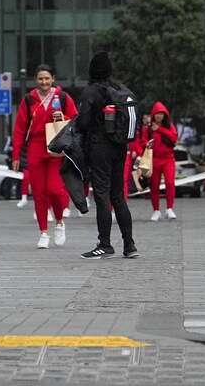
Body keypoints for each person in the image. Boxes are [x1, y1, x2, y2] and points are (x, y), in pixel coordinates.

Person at [74, 51, 137, 258]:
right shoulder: (120, 89)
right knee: (118, 196)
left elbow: (83, 123)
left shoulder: (90, 92)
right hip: (120, 147)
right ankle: (129, 246)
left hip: (100, 148)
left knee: (102, 196)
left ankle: (105, 244)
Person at [10, 65, 77, 249]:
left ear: (53, 78)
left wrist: (63, 115)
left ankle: (59, 222)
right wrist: (16, 155)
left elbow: (76, 120)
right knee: (39, 193)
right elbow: (20, 128)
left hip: (56, 145)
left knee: (55, 190)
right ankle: (43, 233)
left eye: (47, 78)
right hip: (35, 146)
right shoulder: (28, 100)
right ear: (35, 80)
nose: (44, 82)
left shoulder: (63, 98)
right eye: (40, 79)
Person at [142, 101, 179, 221]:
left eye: (161, 114)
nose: (159, 116)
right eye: (157, 114)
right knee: (154, 186)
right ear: (153, 115)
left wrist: (160, 129)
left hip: (168, 159)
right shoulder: (147, 129)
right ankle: (156, 210)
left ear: (165, 115)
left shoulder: (170, 126)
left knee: (170, 183)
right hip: (154, 160)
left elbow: (174, 138)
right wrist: (147, 145)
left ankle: (169, 208)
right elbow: (143, 142)